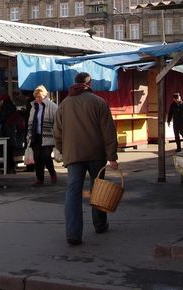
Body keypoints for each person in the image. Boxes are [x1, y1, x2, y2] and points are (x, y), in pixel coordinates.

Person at [54, 72, 118, 246]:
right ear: (89, 83)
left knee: (73, 192)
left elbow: (57, 132)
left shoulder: (64, 105)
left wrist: (62, 149)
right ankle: (100, 224)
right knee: (98, 189)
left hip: (73, 155)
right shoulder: (99, 102)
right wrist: (112, 156)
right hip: (96, 154)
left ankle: (73, 234)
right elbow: (109, 132)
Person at [27, 85, 58, 186]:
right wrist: (29, 135)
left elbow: (58, 122)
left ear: (45, 96)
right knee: (37, 157)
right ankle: (39, 179)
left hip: (48, 136)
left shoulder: (52, 106)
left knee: (46, 156)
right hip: (36, 136)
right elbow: (30, 122)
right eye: (36, 97)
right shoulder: (33, 108)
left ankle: (52, 173)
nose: (38, 99)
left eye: (39, 97)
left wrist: (57, 135)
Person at [0, 95, 21, 174]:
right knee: (10, 150)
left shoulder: (4, 107)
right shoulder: (13, 106)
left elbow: (1, 118)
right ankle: (12, 168)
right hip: (13, 130)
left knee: (6, 150)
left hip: (6, 130)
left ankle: (8, 168)